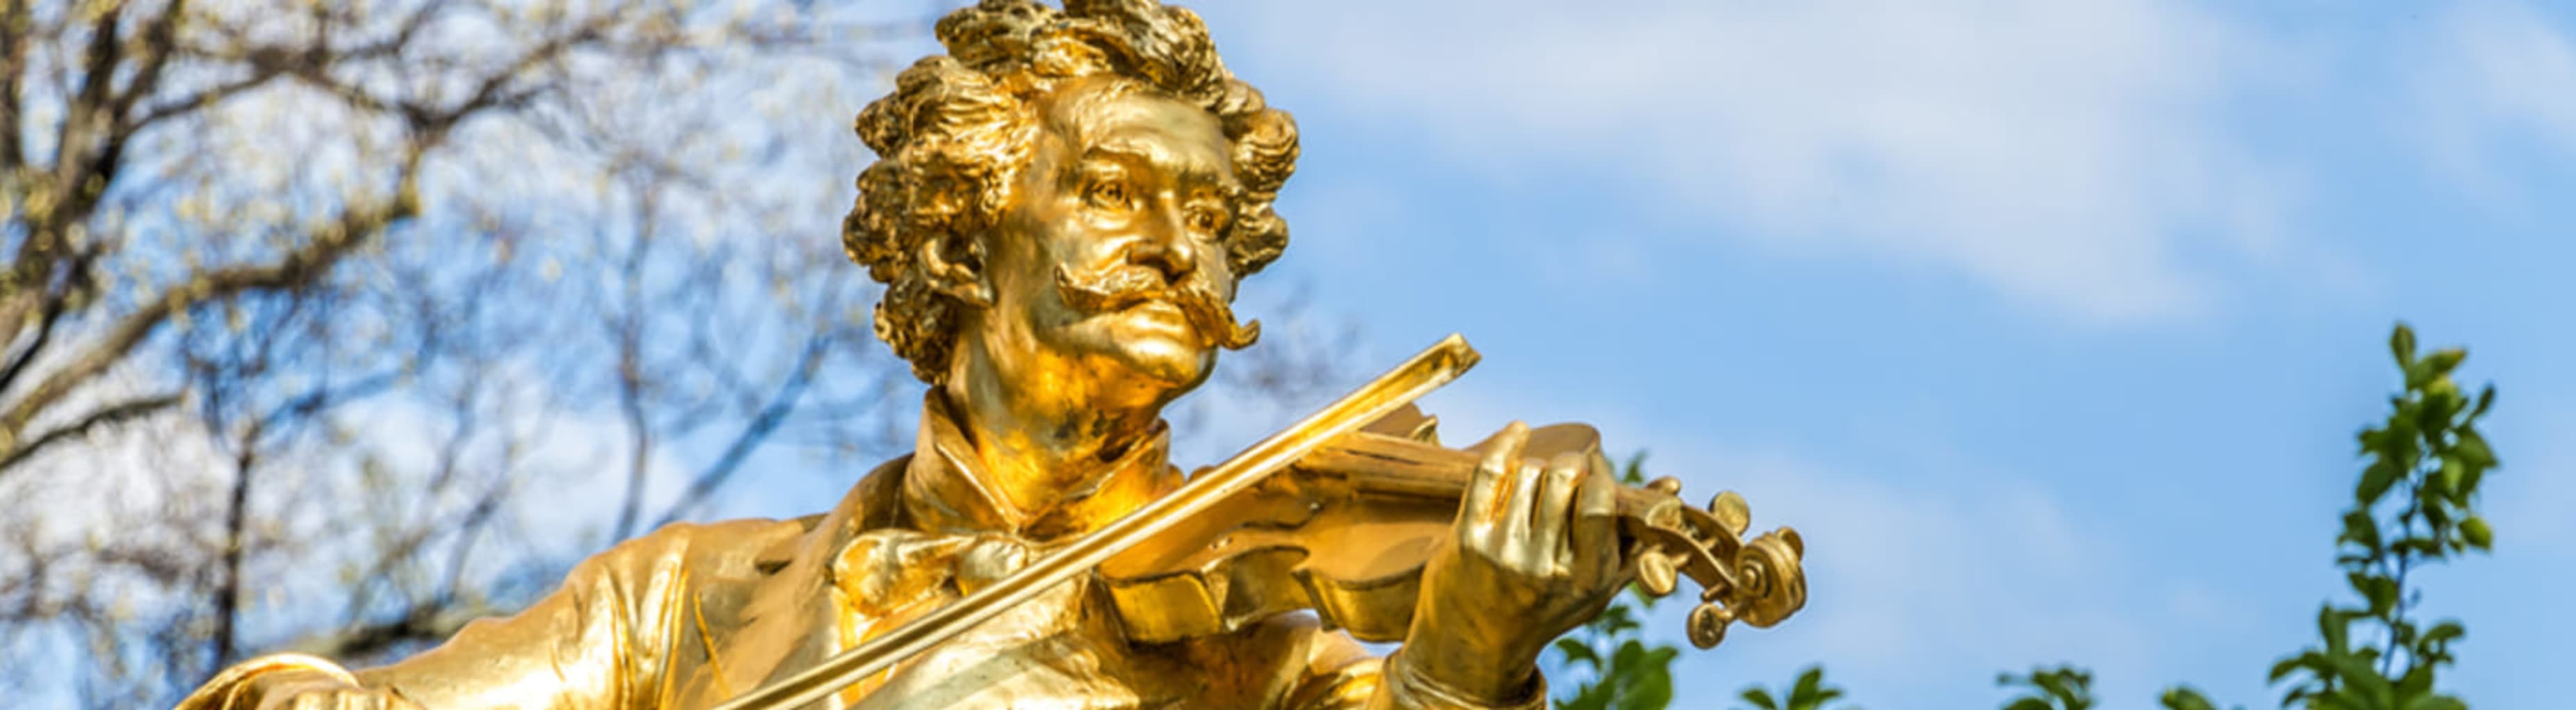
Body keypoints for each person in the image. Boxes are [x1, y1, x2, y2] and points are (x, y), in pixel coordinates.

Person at [180, 1, 1622, 707]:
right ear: (963, 233)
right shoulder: (679, 601)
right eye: (1119, 194)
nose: (1191, 255)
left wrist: (1460, 654)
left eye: (1216, 220)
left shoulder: (1270, 673)